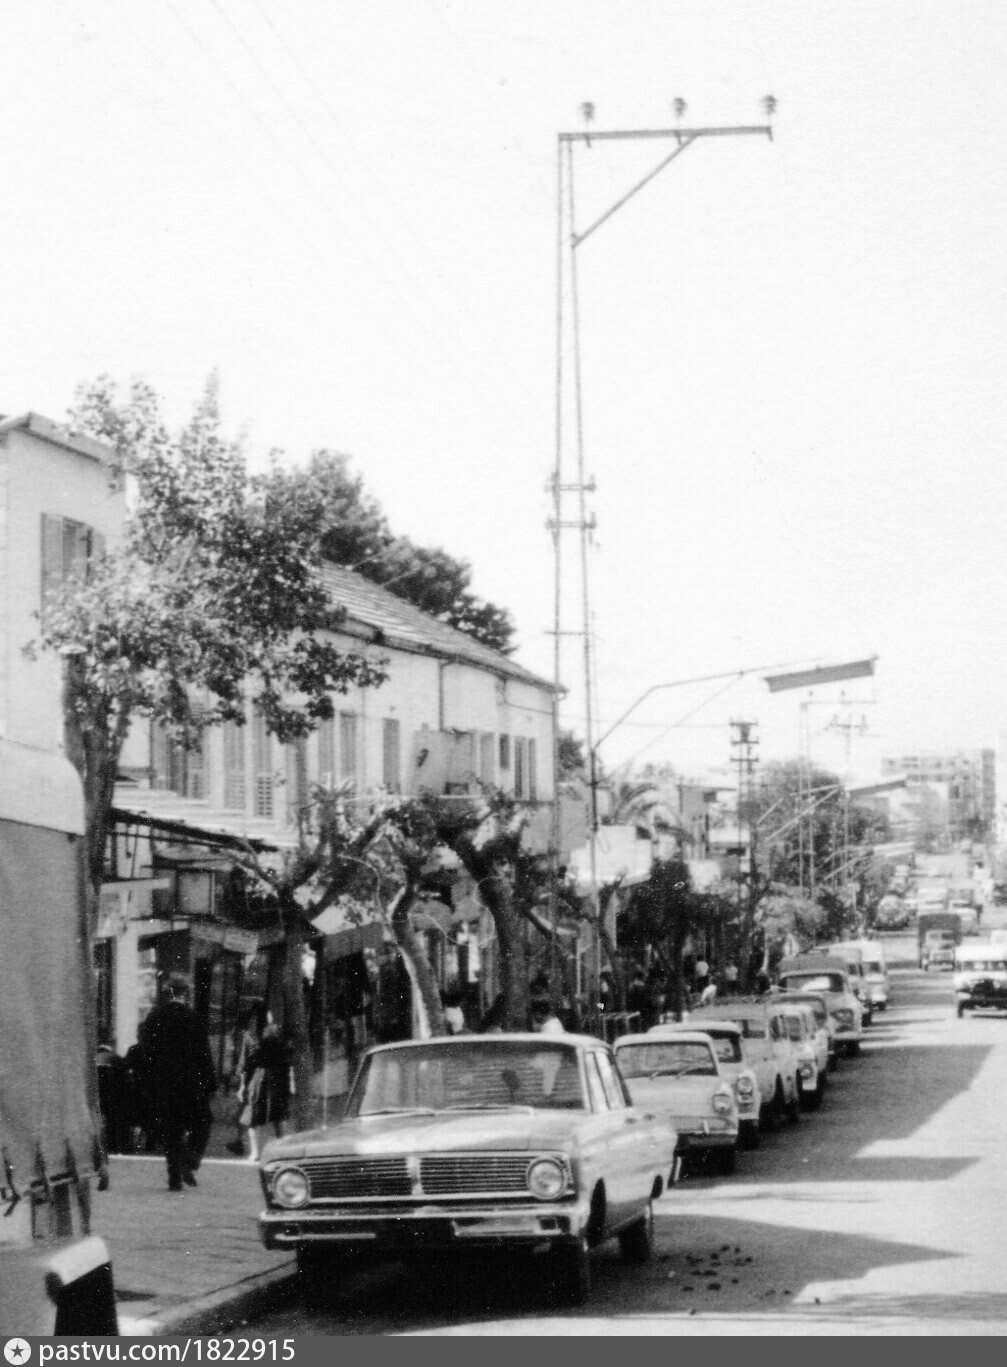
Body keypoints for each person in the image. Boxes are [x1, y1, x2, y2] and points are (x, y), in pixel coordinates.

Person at [138, 975, 216, 1192]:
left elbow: (146, 1054)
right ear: (185, 994)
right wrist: (210, 1083)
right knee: (203, 1123)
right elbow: (203, 1054)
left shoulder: (154, 1018)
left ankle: (174, 1178)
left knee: (172, 1131)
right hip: (190, 1085)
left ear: (167, 993)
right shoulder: (194, 1018)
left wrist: (148, 1084)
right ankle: (190, 1160)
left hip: (163, 1085)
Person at [240, 1006, 292, 1162]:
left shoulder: (257, 1038)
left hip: (264, 1081)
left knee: (260, 1117)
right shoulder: (270, 1037)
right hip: (268, 1081)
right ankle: (274, 1151)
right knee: (274, 1116)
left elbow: (246, 1064)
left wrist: (243, 1085)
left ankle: (257, 1152)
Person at [226, 1004, 264, 1156]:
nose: (252, 1022)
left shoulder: (250, 1037)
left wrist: (241, 1082)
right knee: (244, 1112)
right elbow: (243, 1060)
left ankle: (252, 1149)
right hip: (255, 1078)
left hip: (254, 1080)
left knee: (248, 1114)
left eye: (254, 1019)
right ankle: (239, 1142)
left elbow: (243, 1060)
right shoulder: (256, 1035)